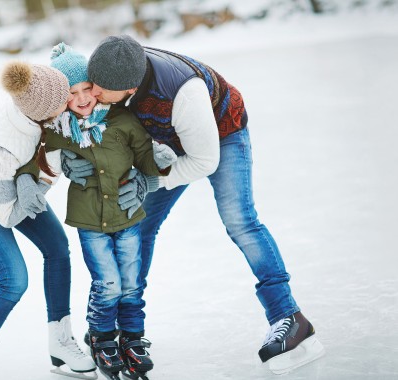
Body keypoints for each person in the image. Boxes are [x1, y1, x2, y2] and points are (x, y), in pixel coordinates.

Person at [60, 34, 325, 375]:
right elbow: (66, 122)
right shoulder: (114, 73)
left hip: (221, 136)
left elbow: (204, 161)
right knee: (138, 226)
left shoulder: (184, 93)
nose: (91, 94)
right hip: (169, 140)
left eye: (98, 89)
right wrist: (65, 157)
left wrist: (150, 181)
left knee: (240, 220)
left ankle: (289, 317)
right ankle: (120, 325)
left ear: (127, 88)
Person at [31, 42, 177, 380]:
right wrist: (54, 163)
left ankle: (133, 339)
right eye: (72, 93)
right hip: (90, 222)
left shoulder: (123, 120)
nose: (82, 98)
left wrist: (156, 162)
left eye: (87, 89)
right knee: (108, 282)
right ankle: (101, 338)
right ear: (60, 98)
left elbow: (144, 156)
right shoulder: (59, 132)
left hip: (127, 217)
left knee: (130, 282)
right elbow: (39, 156)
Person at [0, 61, 96, 379]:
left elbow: (49, 158)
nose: (69, 105)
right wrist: (29, 184)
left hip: (13, 185)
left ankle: (60, 341)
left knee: (57, 247)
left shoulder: (36, 99)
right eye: (63, 102)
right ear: (41, 112)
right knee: (14, 280)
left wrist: (38, 177)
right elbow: (6, 216)